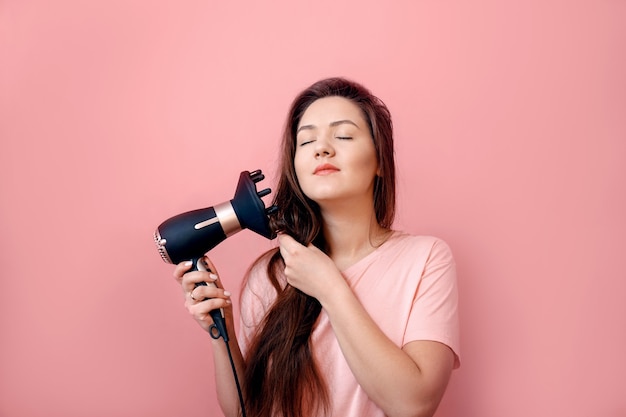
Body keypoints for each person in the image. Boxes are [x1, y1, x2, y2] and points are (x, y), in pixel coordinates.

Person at [174, 77, 460, 417]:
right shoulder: (272, 276)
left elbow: (414, 404)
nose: (321, 148)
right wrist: (222, 335)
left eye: (343, 135)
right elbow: (246, 411)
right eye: (306, 140)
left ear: (380, 160)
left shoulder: (425, 259)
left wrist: (329, 287)